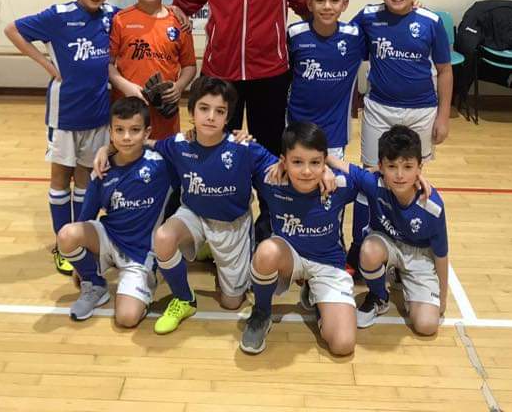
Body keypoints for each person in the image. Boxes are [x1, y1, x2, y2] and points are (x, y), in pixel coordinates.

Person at [92, 76, 336, 335]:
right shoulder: (179, 144)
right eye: (204, 108)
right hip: (194, 215)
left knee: (232, 303)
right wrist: (106, 150)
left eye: (219, 111)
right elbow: (141, 143)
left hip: (231, 225)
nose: (211, 117)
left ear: (228, 117)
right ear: (191, 112)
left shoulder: (243, 148)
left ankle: (211, 250)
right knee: (163, 237)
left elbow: (287, 164)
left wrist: (325, 169)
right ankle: (184, 299)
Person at [172, 0, 311, 241]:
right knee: (218, 154)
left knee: (269, 153)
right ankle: (219, 229)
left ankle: (269, 229)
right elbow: (186, 1)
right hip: (221, 72)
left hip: (271, 70)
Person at [5, 0, 116, 276]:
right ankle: (61, 243)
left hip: (98, 114)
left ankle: (76, 239)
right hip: (64, 114)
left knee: (85, 179)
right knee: (60, 178)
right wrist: (46, 64)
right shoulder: (58, 15)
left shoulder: (113, 16)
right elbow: (12, 30)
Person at [348, 0, 451, 268]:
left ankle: (404, 245)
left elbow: (445, 70)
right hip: (379, 109)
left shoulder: (431, 22)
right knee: (370, 178)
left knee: (407, 179)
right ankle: (360, 247)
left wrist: (443, 116)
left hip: (421, 113)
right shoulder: (368, 17)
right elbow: (341, 40)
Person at [241, 122, 365, 357]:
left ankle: (319, 300)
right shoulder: (271, 176)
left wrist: (331, 165)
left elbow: (376, 180)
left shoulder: (339, 184)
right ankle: (261, 313)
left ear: (324, 161)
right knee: (266, 252)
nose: (306, 171)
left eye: (315, 162)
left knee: (343, 344)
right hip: (289, 257)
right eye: (297, 162)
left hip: (327, 264)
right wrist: (196, 133)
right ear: (283, 161)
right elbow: (224, 139)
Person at [56, 97, 177, 328]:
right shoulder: (103, 168)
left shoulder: (162, 165)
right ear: (110, 132)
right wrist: (82, 266)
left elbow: (190, 148)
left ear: (147, 132)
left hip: (140, 253)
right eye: (119, 130)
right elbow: (87, 216)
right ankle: (95, 285)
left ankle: (138, 287)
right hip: (108, 238)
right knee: (67, 235)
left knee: (126, 318)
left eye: (134, 130)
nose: (126, 137)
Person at [328, 125, 448, 336]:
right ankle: (379, 296)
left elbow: (441, 255)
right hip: (388, 243)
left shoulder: (432, 207)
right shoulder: (375, 183)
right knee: (369, 250)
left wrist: (443, 298)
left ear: (420, 167)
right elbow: (343, 165)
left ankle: (408, 281)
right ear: (381, 167)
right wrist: (319, 160)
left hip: (419, 256)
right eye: (392, 166)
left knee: (427, 326)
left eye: (408, 167)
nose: (400, 175)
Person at [109, 0, 197, 141]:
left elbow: (190, 66)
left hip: (165, 112)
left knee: (163, 153)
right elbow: (108, 64)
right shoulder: (120, 20)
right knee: (127, 153)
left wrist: (179, 86)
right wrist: (126, 86)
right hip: (128, 110)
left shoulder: (179, 22)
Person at [286, 0, 365, 160]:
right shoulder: (294, 34)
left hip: (334, 134)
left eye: (334, 0)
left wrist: (413, 7)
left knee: (330, 179)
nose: (327, 6)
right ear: (309, 3)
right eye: (320, 0)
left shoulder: (355, 37)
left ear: (344, 4)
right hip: (296, 128)